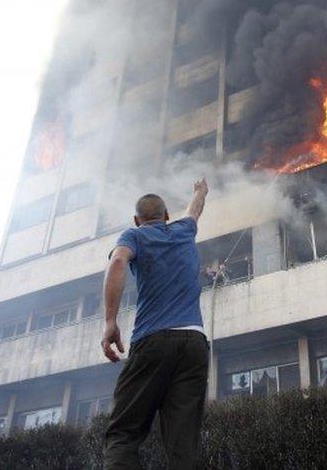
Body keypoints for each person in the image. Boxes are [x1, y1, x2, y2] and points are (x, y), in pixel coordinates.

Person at [101, 179, 210, 469]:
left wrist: (110, 323)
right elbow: (195, 210)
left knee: (124, 433)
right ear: (166, 217)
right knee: (182, 444)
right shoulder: (184, 229)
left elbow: (117, 264)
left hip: (153, 341)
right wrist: (200, 190)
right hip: (195, 343)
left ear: (137, 221)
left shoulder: (134, 236)